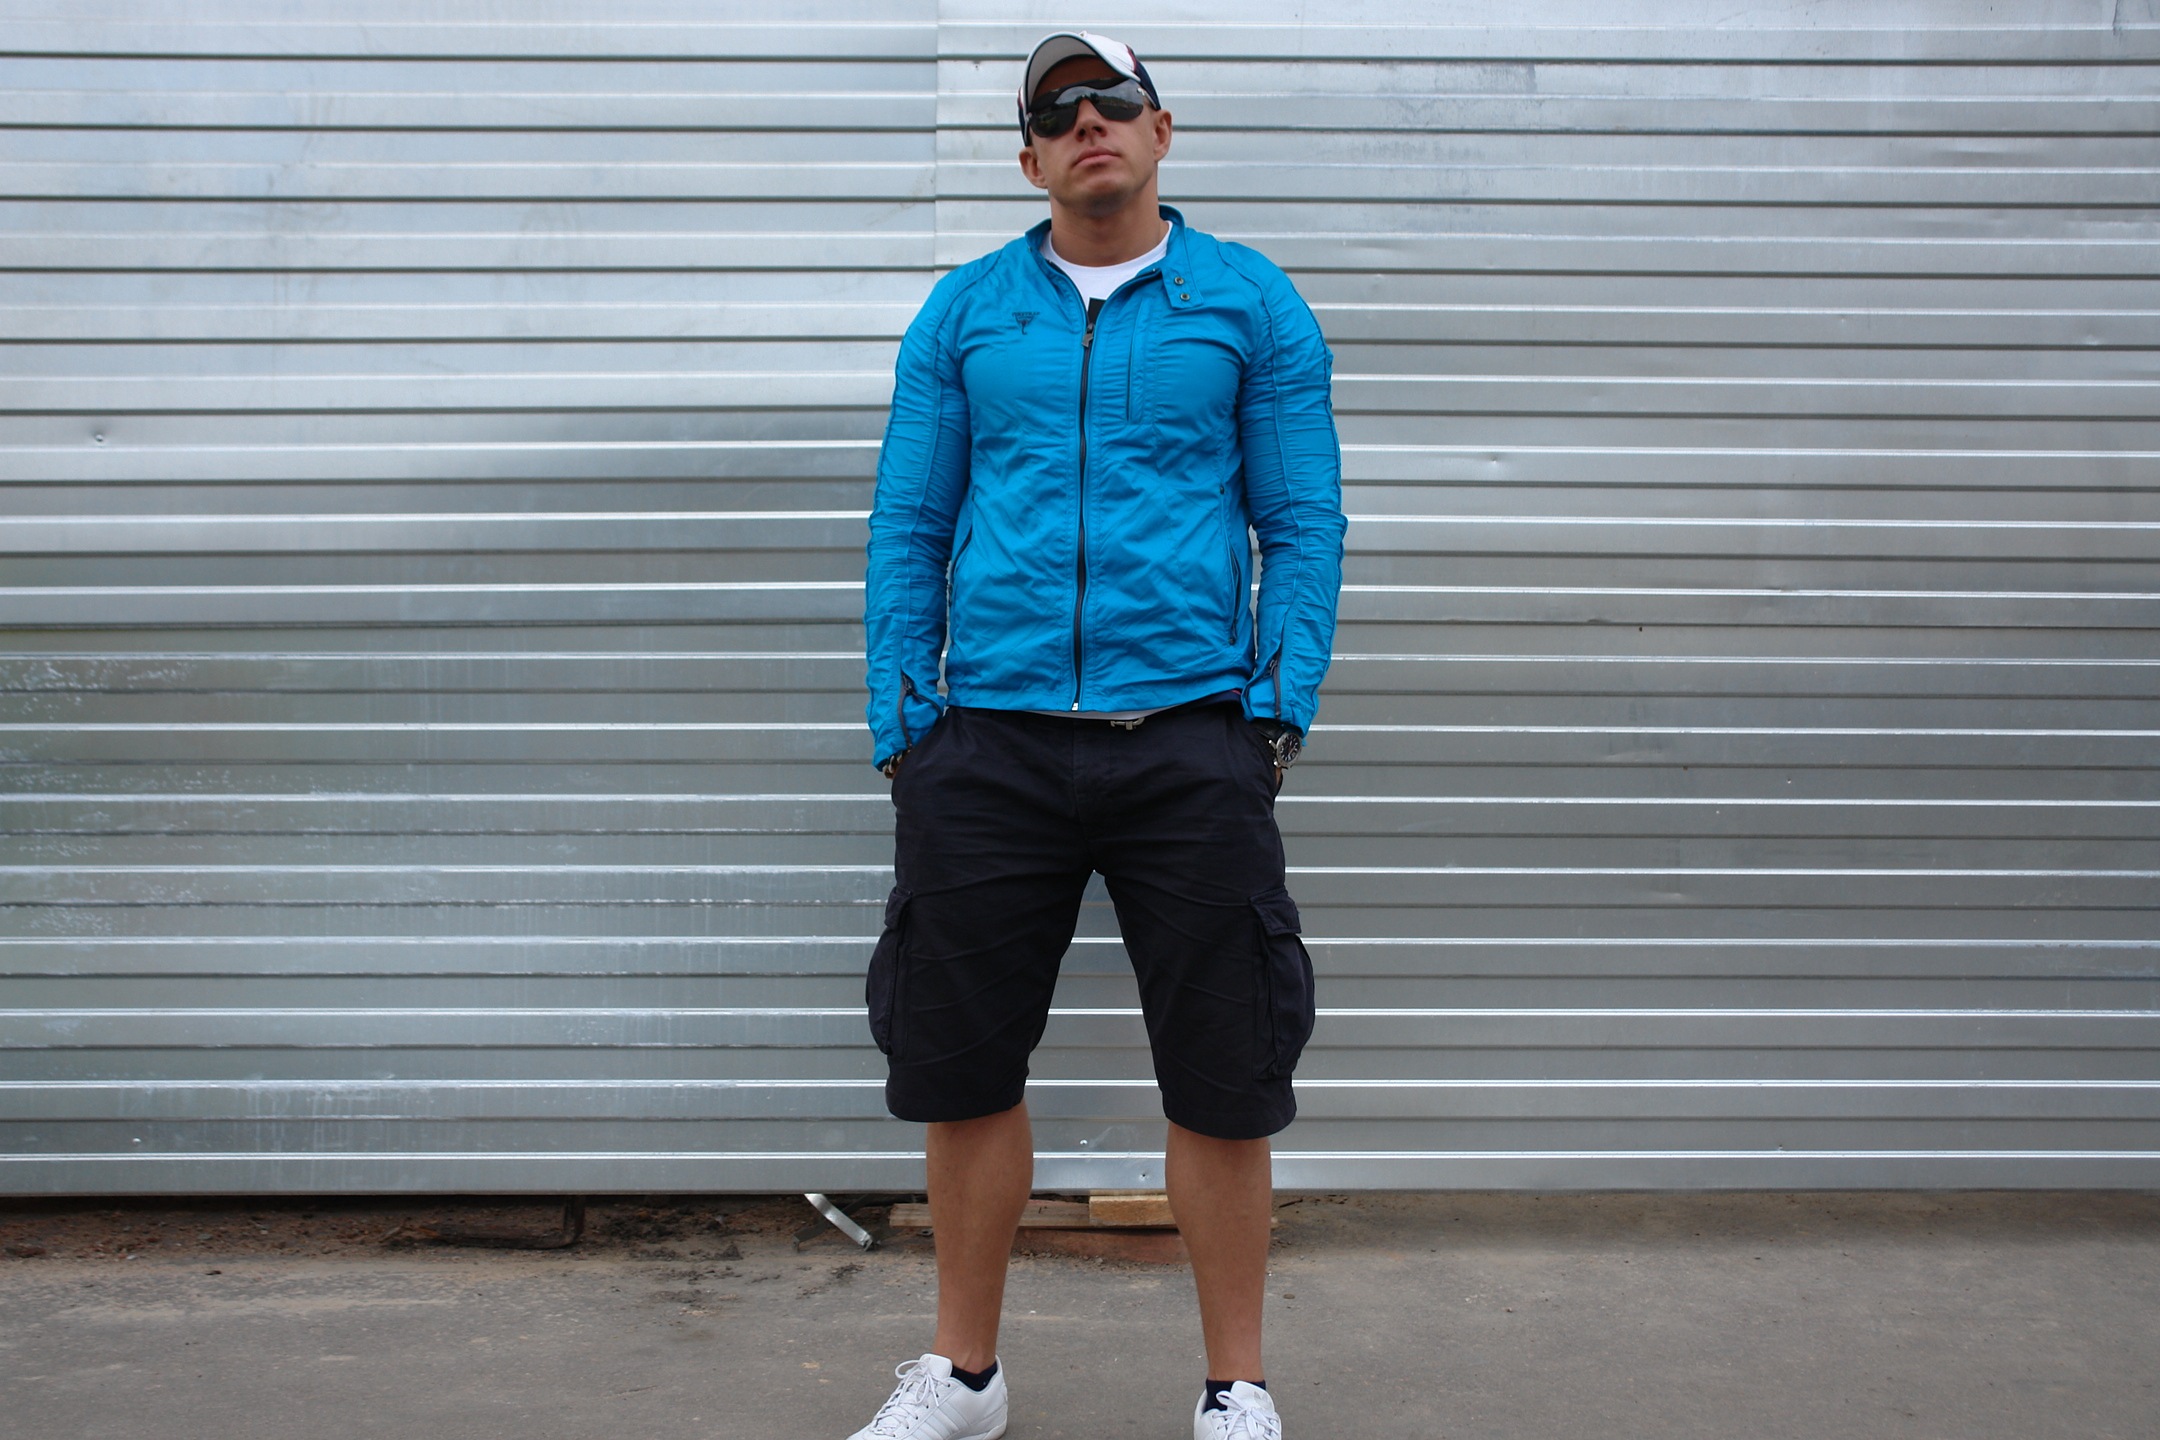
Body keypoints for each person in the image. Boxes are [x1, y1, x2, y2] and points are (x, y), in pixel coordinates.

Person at [851, 30, 1345, 1440]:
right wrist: (908, 723)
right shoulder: (967, 313)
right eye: (1057, 111)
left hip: (1188, 738)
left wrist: (1273, 712)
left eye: (1112, 101)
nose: (1088, 123)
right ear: (1030, 159)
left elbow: (1302, 520)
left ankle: (1237, 1387)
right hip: (991, 746)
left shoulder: (1248, 303)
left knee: (1226, 1075)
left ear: (1160, 131)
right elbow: (910, 525)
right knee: (961, 1070)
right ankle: (965, 1377)